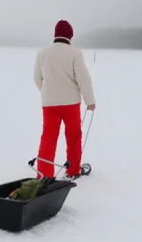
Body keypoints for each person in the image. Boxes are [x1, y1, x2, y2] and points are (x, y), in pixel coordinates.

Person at [33, 20, 96, 179]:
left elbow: (37, 78)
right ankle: (73, 170)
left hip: (49, 104)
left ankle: (45, 174)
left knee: (48, 137)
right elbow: (84, 79)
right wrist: (90, 101)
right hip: (70, 103)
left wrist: (48, 92)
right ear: (70, 36)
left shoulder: (42, 54)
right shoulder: (75, 53)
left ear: (55, 35)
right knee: (73, 136)